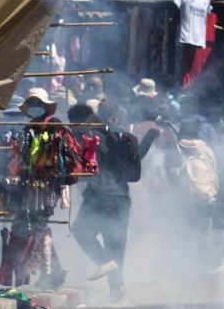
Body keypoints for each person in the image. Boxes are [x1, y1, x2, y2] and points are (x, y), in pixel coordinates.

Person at [70, 102, 159, 302]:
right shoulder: (123, 138)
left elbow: (85, 166)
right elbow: (136, 160)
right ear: (116, 117)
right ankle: (116, 289)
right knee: (115, 244)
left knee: (80, 230)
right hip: (121, 198)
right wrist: (151, 137)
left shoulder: (90, 136)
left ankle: (105, 263)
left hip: (99, 196)